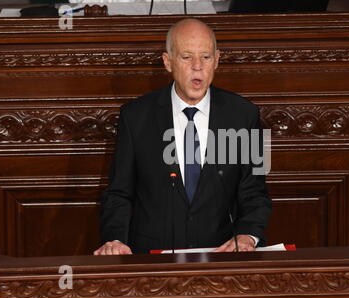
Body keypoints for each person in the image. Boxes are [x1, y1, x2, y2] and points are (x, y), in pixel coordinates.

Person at [94, 18, 271, 255]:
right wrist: (115, 239)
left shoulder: (244, 115)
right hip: (152, 263)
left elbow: (255, 192)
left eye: (206, 57)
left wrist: (247, 236)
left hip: (221, 257)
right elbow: (119, 193)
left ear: (217, 60)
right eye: (187, 57)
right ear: (168, 62)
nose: (197, 66)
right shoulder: (135, 116)